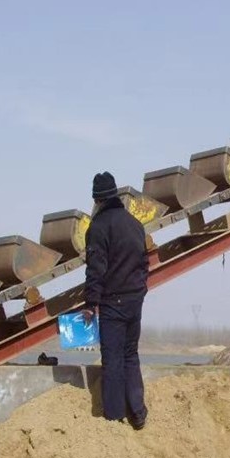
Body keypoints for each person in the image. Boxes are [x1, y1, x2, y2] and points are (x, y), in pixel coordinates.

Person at [82, 171, 149, 429]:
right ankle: (138, 411)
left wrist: (90, 304)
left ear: (97, 200)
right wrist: (140, 291)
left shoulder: (98, 227)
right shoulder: (135, 224)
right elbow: (144, 263)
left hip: (113, 303)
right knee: (131, 354)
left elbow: (96, 269)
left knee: (112, 360)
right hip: (135, 300)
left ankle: (112, 418)